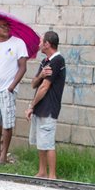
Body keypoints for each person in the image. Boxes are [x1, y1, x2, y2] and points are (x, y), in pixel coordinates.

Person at [0, 17, 27, 164]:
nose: (6, 28)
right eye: (2, 26)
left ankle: (4, 155)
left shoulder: (18, 43)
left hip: (7, 89)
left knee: (7, 123)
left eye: (7, 26)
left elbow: (22, 67)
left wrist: (12, 86)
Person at [25, 31, 66, 179]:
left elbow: (44, 87)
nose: (39, 44)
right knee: (40, 142)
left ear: (47, 44)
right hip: (40, 108)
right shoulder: (45, 61)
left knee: (48, 143)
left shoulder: (57, 61)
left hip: (49, 108)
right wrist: (41, 75)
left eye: (41, 41)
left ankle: (52, 176)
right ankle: (42, 172)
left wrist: (31, 106)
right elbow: (34, 83)